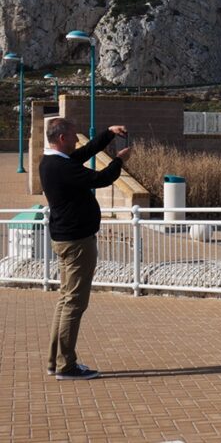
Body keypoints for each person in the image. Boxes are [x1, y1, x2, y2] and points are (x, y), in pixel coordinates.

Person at [39, 118, 131, 380]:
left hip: (66, 239)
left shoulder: (52, 161)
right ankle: (66, 366)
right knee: (74, 304)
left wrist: (108, 134)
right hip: (77, 242)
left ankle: (56, 361)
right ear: (62, 139)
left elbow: (85, 152)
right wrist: (120, 161)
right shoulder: (60, 167)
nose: (77, 140)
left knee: (66, 300)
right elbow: (101, 178)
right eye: (73, 136)